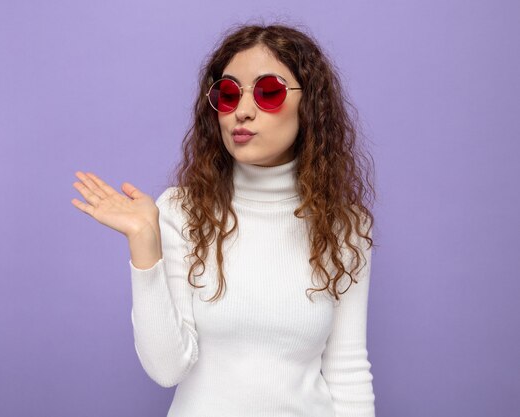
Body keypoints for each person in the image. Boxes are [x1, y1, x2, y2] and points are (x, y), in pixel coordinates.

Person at [71, 22, 377, 417]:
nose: (242, 111)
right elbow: (167, 369)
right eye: (228, 94)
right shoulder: (182, 211)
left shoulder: (346, 227)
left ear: (310, 104)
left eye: (269, 92)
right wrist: (145, 245)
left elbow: (348, 371)